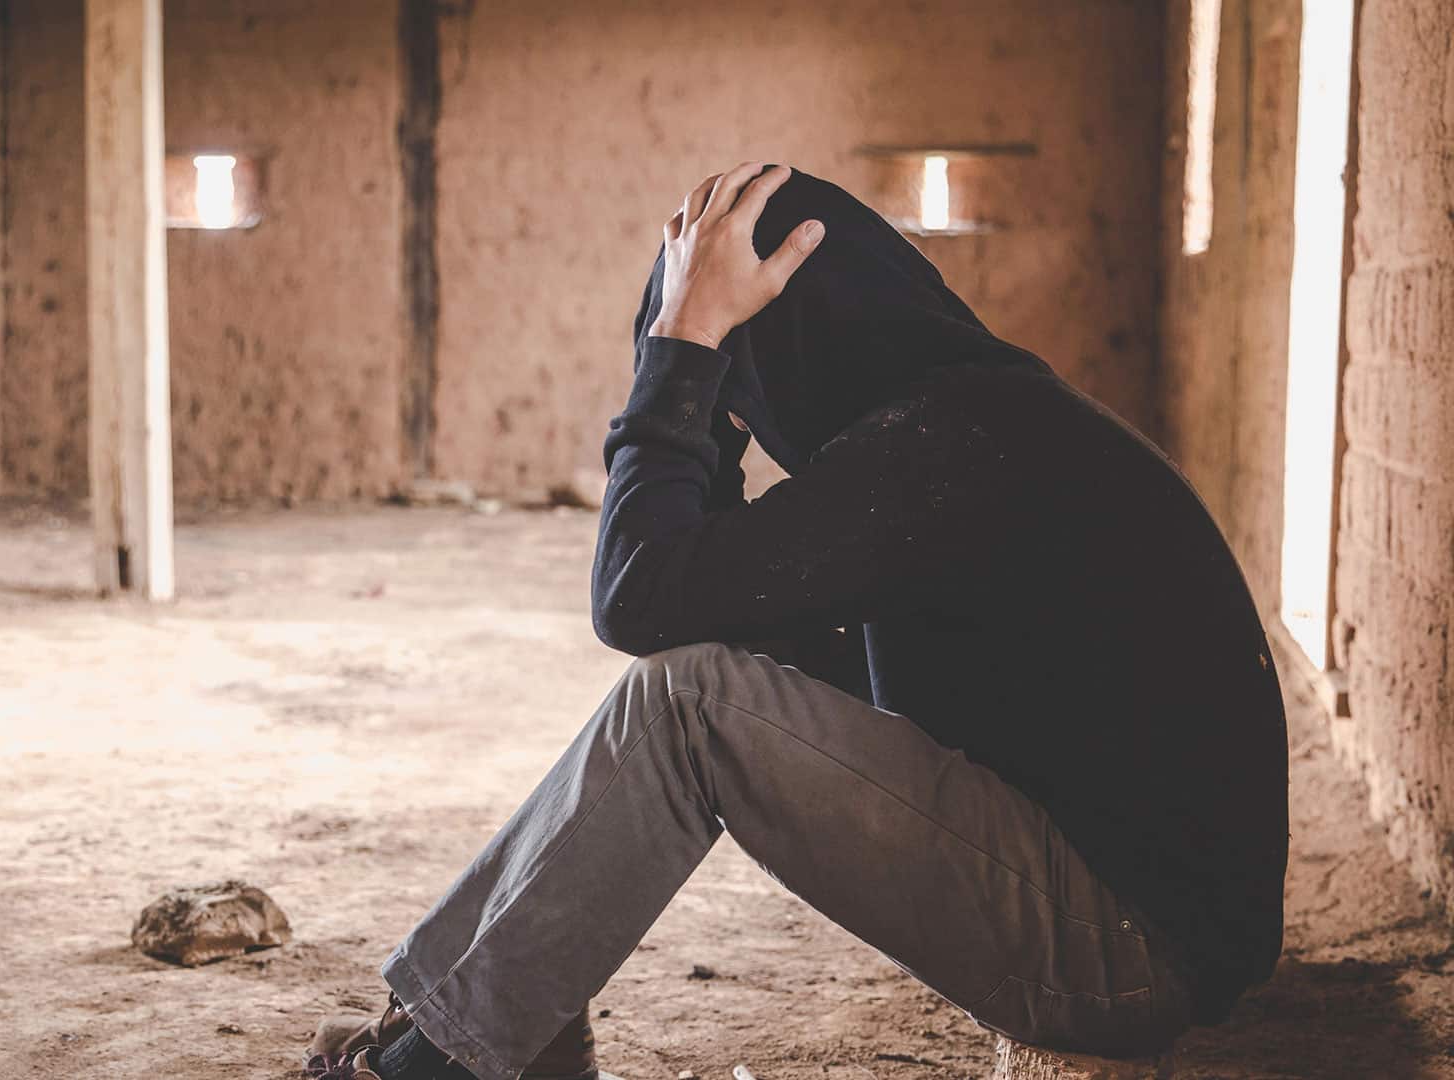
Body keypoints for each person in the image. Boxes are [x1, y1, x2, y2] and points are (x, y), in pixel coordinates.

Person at [303, 164, 1288, 1080]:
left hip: (1124, 952)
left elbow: (636, 600)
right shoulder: (971, 421)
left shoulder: (951, 443)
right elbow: (726, 619)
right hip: (1124, 917)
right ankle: (466, 1031)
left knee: (684, 706)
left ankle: (455, 1058)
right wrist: (706, 406)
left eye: (742, 352)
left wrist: (685, 358)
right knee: (701, 680)